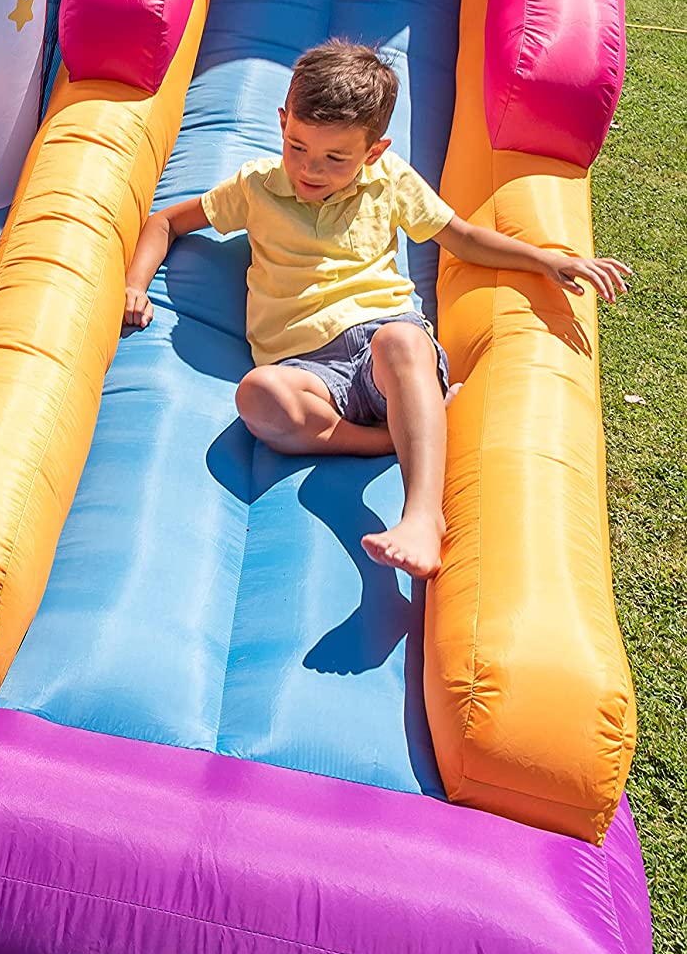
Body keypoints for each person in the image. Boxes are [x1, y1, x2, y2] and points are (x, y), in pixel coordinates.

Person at [122, 39, 629, 580]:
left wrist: (544, 259)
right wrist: (134, 284)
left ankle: (422, 516)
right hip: (305, 371)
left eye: (334, 159)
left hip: (379, 343)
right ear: (282, 121)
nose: (309, 168)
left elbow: (460, 237)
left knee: (403, 343)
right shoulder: (256, 186)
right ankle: (391, 436)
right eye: (297, 146)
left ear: (373, 151)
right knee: (256, 395)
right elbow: (166, 222)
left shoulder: (391, 181)